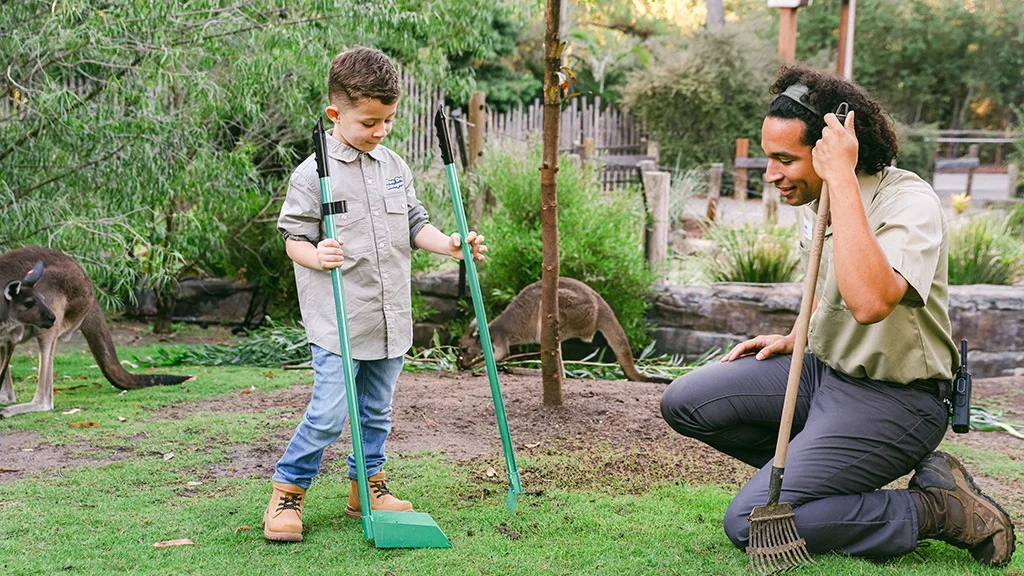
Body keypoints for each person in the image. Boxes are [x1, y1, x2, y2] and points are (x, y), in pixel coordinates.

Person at [660, 65, 1015, 566]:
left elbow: (870, 303)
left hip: (899, 399)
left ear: (831, 151)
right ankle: (831, 482)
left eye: (785, 159)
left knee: (746, 524)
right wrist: (797, 334)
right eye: (769, 157)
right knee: (686, 401)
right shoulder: (818, 200)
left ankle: (935, 510)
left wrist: (841, 180)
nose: (771, 175)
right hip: (824, 374)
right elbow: (826, 282)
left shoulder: (907, 203)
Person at [263, 46, 487, 542]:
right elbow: (293, 237)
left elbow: (414, 223)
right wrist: (315, 254)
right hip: (340, 319)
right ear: (335, 114)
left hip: (390, 316)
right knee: (328, 415)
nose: (381, 130)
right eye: (370, 122)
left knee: (376, 411)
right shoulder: (312, 173)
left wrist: (450, 245)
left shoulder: (393, 165)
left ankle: (367, 485)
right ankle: (288, 491)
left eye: (388, 120)